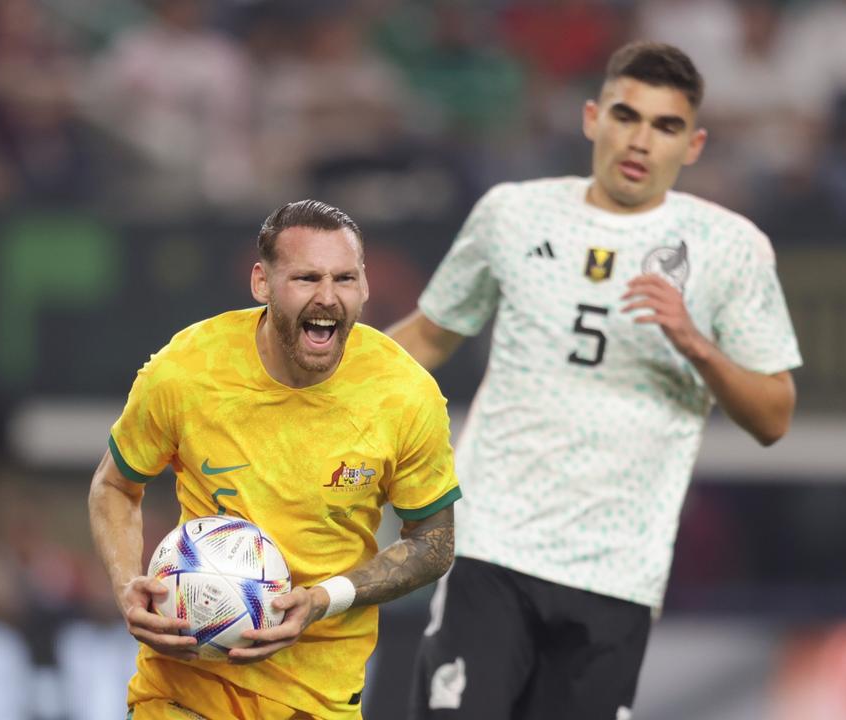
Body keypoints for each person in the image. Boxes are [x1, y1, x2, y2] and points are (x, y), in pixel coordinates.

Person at [388, 41, 803, 718]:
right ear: (591, 118)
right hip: (493, 545)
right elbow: (432, 333)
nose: (641, 140)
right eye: (626, 115)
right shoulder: (512, 213)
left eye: (665, 126)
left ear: (693, 145)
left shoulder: (731, 248)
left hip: (617, 571)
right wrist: (319, 381)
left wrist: (695, 343)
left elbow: (774, 414)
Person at [89, 200, 461, 720]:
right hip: (183, 688)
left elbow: (434, 542)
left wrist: (321, 600)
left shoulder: (405, 395)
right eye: (306, 278)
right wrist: (128, 585)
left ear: (366, 286)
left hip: (317, 700)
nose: (328, 298)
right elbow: (114, 486)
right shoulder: (185, 372)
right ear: (262, 283)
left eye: (345, 278)